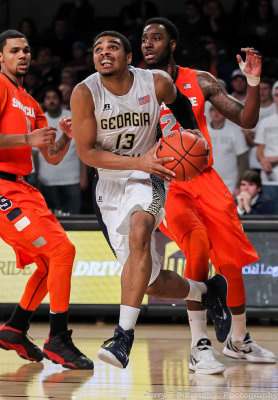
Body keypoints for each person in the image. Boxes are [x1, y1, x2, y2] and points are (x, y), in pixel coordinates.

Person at [70, 30, 232, 369]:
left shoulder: (154, 82)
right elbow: (87, 153)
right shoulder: (85, 93)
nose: (104, 53)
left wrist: (193, 134)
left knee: (141, 226)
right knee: (149, 283)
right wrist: (135, 162)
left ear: (129, 58)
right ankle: (206, 291)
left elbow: (182, 104)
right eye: (98, 49)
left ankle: (122, 338)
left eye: (112, 47)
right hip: (109, 182)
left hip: (151, 172)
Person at [141, 17, 277, 374]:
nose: (147, 44)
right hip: (167, 181)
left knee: (231, 258)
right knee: (197, 246)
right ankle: (198, 343)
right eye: (143, 40)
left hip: (206, 177)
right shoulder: (135, 86)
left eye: (156, 38)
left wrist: (252, 81)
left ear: (172, 44)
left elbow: (246, 120)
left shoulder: (199, 80)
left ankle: (239, 341)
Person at [0, 29, 93, 370]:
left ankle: (15, 329)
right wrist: (27, 137)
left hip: (23, 188)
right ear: (0, 57)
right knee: (62, 251)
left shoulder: (32, 102)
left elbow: (49, 156)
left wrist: (64, 137)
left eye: (27, 50)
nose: (23, 55)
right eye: (15, 50)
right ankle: (58, 338)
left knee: (51, 262)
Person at [33, 87, 85, 214]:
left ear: (60, 100)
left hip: (72, 178)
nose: (51, 101)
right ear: (44, 102)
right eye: (48, 98)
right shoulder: (40, 119)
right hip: (47, 178)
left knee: (74, 218)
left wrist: (83, 176)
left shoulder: (73, 117)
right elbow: (34, 152)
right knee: (52, 218)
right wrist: (36, 177)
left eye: (54, 98)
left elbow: (82, 147)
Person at [208, 105, 249, 194]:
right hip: (207, 184)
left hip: (230, 184)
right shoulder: (203, 131)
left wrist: (239, 185)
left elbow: (243, 161)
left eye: (219, 110)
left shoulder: (235, 131)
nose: (216, 113)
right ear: (209, 113)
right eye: (213, 110)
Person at [255, 81, 278, 212]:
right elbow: (259, 150)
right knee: (271, 218)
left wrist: (270, 159)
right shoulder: (265, 122)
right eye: (276, 95)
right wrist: (263, 162)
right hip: (269, 179)